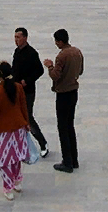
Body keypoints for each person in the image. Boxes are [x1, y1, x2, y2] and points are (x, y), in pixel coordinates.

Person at [0, 60, 30, 200]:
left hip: (3, 130)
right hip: (19, 127)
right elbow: (24, 107)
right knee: (16, 156)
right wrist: (27, 123)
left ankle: (8, 187)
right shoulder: (18, 87)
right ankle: (17, 181)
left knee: (4, 160)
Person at [43, 29, 83, 173]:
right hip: (74, 91)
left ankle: (67, 162)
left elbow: (55, 76)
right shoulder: (77, 52)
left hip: (63, 94)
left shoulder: (62, 56)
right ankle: (74, 159)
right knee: (70, 125)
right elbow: (81, 71)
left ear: (60, 41)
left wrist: (49, 66)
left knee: (62, 127)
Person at [11, 28, 49, 158]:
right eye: (15, 37)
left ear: (25, 38)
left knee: (28, 118)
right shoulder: (17, 52)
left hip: (27, 92)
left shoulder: (32, 53)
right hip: (16, 90)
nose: (16, 40)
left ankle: (43, 143)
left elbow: (39, 70)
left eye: (18, 37)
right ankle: (20, 145)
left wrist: (27, 80)